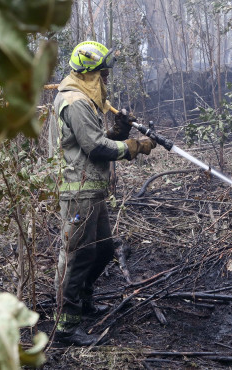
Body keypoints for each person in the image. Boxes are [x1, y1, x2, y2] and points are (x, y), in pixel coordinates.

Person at [53, 41, 156, 346]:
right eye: (103, 75)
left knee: (103, 250)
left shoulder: (86, 100)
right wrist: (133, 146)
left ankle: (84, 301)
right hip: (78, 191)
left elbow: (97, 141)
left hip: (92, 188)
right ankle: (66, 327)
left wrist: (121, 130)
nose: (106, 81)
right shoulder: (76, 102)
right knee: (78, 255)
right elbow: (96, 148)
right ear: (89, 74)